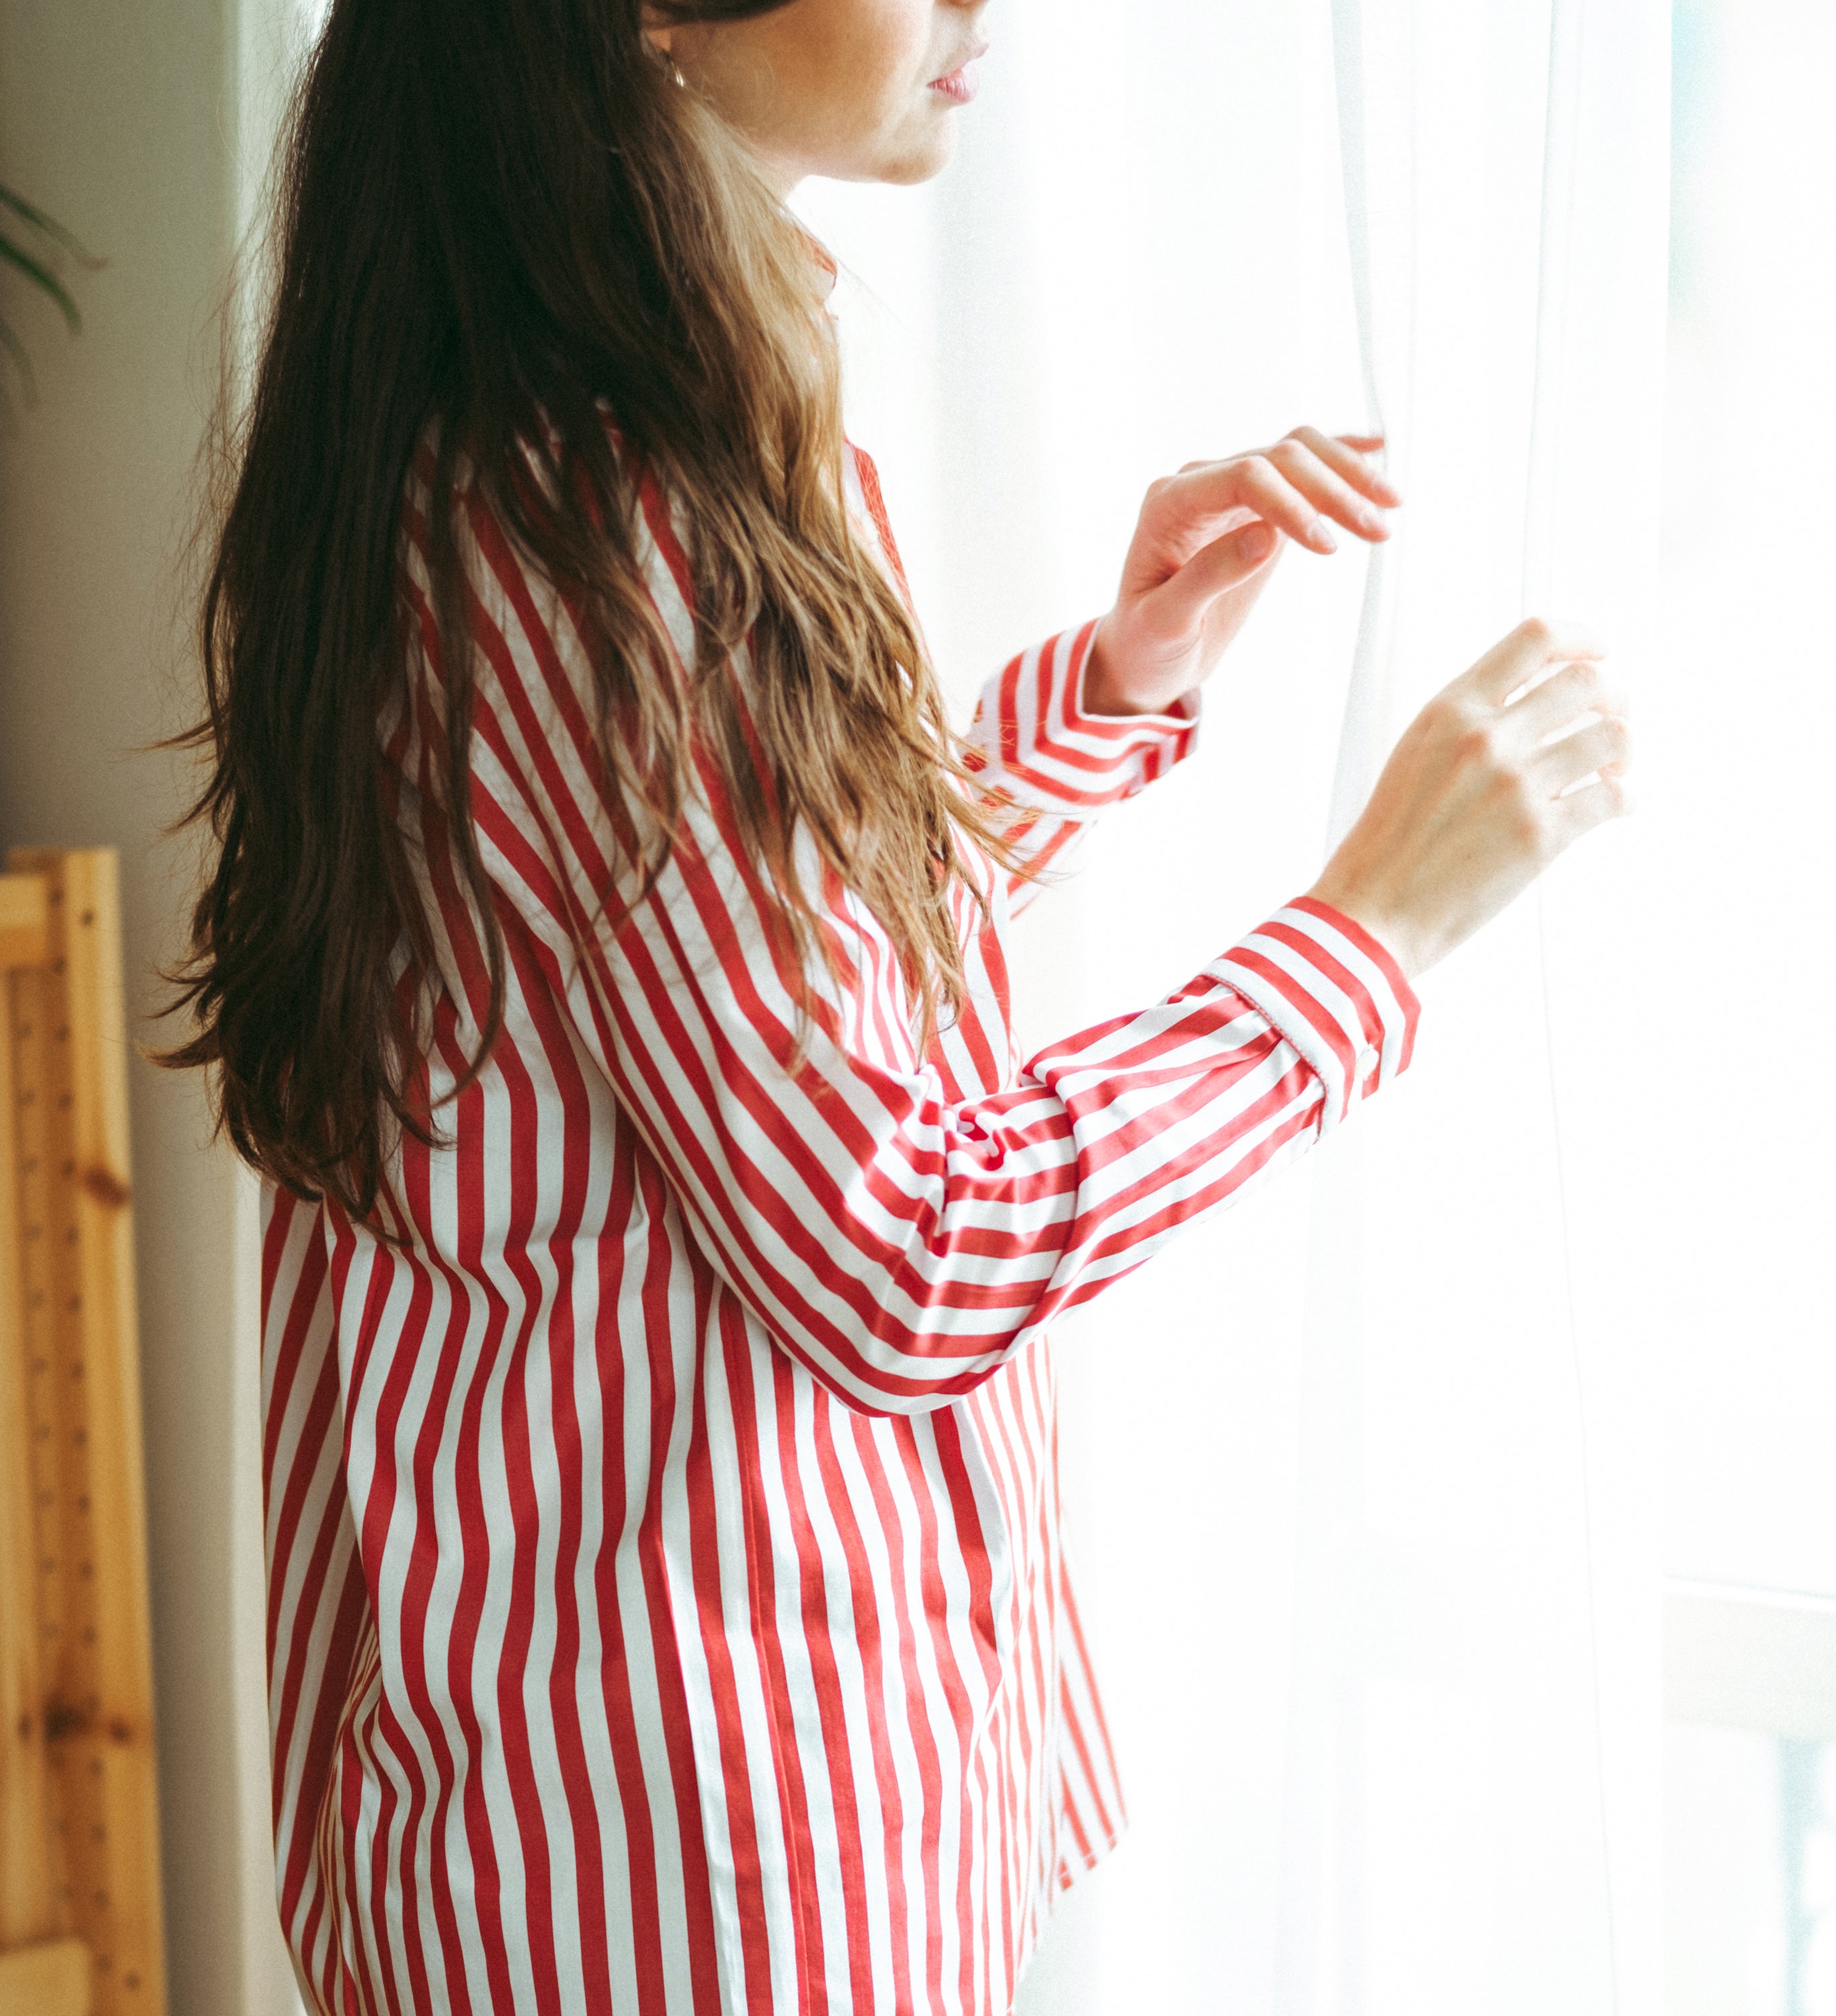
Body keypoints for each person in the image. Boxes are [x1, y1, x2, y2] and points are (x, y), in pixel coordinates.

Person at [163, 1, 1632, 2011]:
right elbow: (898, 1241)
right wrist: (1365, 940)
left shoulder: (550, 447)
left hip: (652, 1796)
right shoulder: (611, 523)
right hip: (697, 1838)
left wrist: (1113, 684)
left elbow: (724, 982)